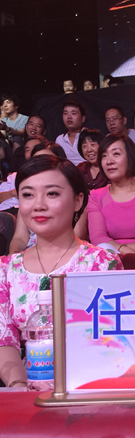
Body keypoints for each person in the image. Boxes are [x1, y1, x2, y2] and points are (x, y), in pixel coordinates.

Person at [0, 155, 122, 387]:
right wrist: (19, 386)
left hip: (87, 387)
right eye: (28, 195)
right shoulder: (6, 269)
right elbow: (3, 341)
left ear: (78, 201)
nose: (38, 205)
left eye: (52, 193)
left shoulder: (101, 263)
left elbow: (110, 340)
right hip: (28, 387)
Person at [55, 100, 86, 166]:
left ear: (83, 118)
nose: (69, 117)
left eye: (73, 113)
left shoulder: (90, 136)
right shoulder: (59, 140)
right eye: (65, 113)